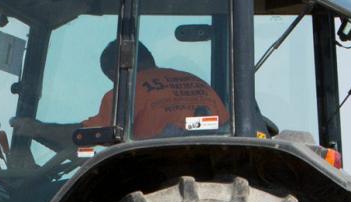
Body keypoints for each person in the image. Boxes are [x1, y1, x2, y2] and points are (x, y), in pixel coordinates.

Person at [15, 42, 228, 149]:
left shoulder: (128, 91)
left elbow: (88, 135)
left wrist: (37, 129)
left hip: (154, 174)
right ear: (149, 58)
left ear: (112, 73)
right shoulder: (196, 83)